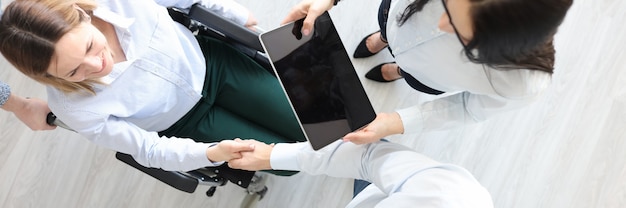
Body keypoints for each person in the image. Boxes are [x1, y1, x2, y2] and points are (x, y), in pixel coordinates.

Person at [0, 0, 306, 173]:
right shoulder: (72, 106)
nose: (97, 66)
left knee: (312, 120)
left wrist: (237, 16)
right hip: (186, 123)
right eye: (74, 70)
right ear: (48, 77)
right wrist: (212, 153)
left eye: (91, 46)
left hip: (213, 67)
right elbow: (148, 148)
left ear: (82, 15)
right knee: (287, 163)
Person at [282, 0, 573, 144]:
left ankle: (398, 70)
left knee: (410, 73)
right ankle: (384, 38)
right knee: (388, 28)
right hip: (396, 16)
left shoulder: (523, 82)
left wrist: (396, 121)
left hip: (426, 74)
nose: (442, 26)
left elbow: (466, 109)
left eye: (463, 36)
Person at [228, 139, 494, 207]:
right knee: (369, 149)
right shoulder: (451, 194)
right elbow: (366, 156)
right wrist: (272, 157)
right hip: (380, 188)